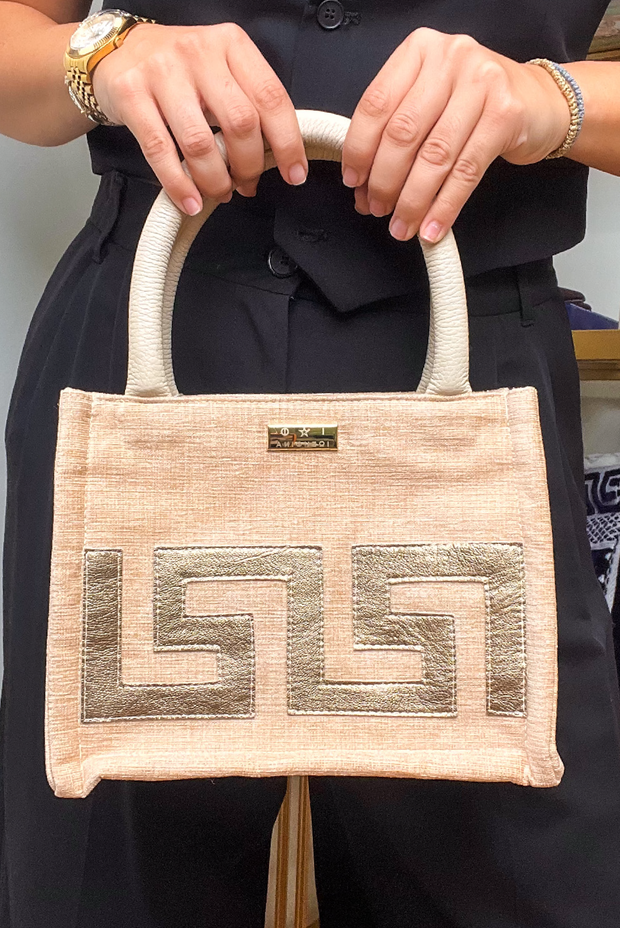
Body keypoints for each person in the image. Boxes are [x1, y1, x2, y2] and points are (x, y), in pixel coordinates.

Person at [1, 1, 620, 926]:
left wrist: (551, 99)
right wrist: (106, 56)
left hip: (470, 373)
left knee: (522, 870)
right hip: (150, 356)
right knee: (107, 882)